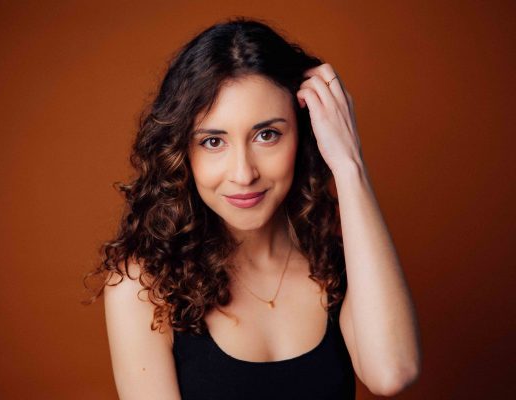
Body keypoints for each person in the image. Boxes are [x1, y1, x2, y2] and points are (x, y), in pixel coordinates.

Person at [82, 17, 421, 400]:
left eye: (267, 135)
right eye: (213, 141)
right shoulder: (143, 286)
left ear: (304, 135)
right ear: (181, 152)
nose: (244, 174)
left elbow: (393, 373)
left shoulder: (340, 260)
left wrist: (349, 164)